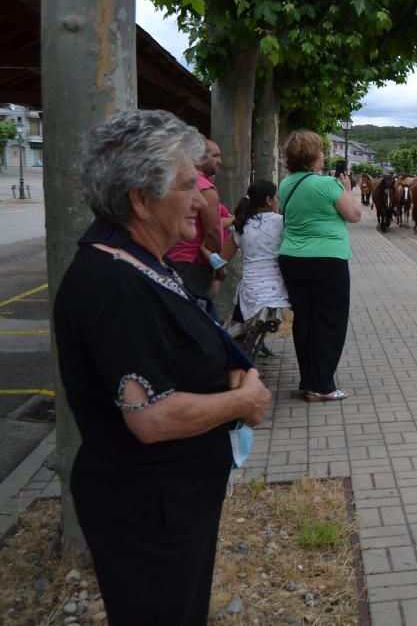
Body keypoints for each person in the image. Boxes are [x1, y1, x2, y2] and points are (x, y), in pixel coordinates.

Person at [52, 110, 272, 625]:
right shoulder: (115, 285)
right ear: (139, 198)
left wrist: (227, 368)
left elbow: (174, 347)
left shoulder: (140, 261)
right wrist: (242, 401)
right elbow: (151, 417)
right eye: (185, 186)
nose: (201, 199)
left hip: (169, 502)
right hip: (148, 510)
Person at [278, 131, 362, 402]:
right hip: (327, 259)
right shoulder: (327, 185)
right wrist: (347, 190)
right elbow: (355, 215)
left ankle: (310, 380)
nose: (324, 156)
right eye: (321, 151)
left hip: (292, 258)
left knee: (304, 320)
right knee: (329, 321)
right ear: (313, 156)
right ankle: (322, 386)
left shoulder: (285, 184)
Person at [221, 180, 289, 334]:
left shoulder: (241, 225)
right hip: (277, 289)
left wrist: (214, 266)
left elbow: (222, 258)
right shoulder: (282, 223)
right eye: (275, 197)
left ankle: (235, 329)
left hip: (250, 291)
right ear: (268, 200)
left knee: (242, 289)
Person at [166, 137, 224, 297]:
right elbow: (212, 232)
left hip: (170, 256)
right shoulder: (206, 188)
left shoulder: (175, 180)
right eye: (215, 156)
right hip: (194, 262)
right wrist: (216, 260)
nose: (220, 161)